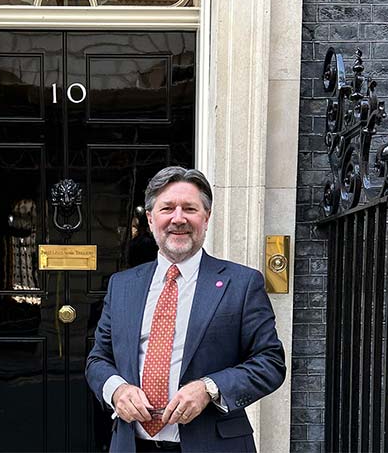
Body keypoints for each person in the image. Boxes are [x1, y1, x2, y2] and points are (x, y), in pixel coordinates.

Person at [86, 167, 286, 453]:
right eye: (167, 208)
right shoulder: (123, 285)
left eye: (189, 208)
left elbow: (270, 362)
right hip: (132, 444)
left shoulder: (241, 283)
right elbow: (98, 359)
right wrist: (117, 389)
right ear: (151, 218)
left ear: (206, 218)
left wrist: (209, 388)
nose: (178, 218)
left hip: (214, 445)